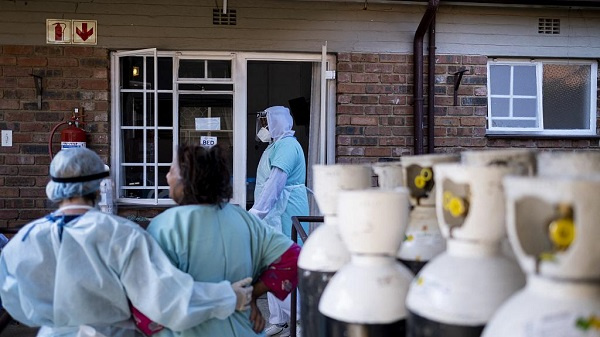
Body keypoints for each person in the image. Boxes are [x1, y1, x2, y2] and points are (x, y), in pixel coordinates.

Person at [0, 147, 254, 337]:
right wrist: (226, 296)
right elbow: (164, 297)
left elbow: (12, 301)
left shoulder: (22, 240)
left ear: (54, 187)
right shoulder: (120, 234)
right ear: (99, 187)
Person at [147, 144, 301, 337]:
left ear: (187, 179)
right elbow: (293, 257)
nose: (167, 177)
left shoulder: (165, 225)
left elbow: (152, 293)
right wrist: (251, 293)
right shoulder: (245, 220)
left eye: (171, 171)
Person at [249, 106, 309, 336]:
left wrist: (256, 213)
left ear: (277, 122)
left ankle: (299, 319)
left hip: (285, 212)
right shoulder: (276, 145)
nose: (263, 128)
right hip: (274, 214)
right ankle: (280, 319)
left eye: (266, 122)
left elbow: (275, 184)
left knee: (286, 266)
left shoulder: (287, 146)